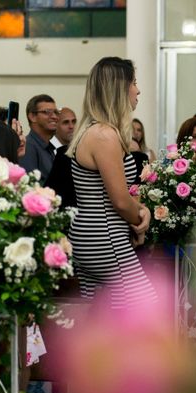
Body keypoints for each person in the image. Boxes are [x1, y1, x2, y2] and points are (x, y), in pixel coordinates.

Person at [66, 56, 155, 308]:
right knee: (144, 311)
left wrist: (142, 210)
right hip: (104, 236)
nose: (138, 90)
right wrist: (140, 221)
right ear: (118, 89)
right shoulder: (104, 135)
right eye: (134, 83)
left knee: (100, 319)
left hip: (90, 235)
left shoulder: (94, 130)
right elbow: (118, 200)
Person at [20, 94, 59, 184]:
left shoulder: (48, 147)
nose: (54, 117)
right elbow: (30, 187)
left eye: (56, 112)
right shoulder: (28, 147)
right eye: (47, 112)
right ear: (32, 117)